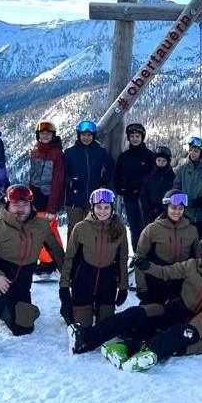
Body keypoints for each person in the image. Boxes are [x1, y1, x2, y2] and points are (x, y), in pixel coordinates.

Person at [67, 242, 202, 356]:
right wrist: (147, 266)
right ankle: (87, 339)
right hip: (175, 309)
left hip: (195, 323)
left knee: (158, 336)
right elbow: (166, 272)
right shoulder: (192, 266)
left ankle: (130, 349)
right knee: (136, 313)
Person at [0, 185, 65, 353]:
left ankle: (5, 308)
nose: (20, 209)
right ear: (7, 204)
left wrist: (68, 273)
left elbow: (56, 251)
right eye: (15, 205)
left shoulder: (41, 225)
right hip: (0, 274)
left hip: (23, 278)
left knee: (23, 328)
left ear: (30, 205)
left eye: (24, 205)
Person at [59, 188, 128, 327]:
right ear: (92, 207)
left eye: (106, 207)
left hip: (107, 282)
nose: (102, 211)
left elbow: (122, 260)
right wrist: (64, 286)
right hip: (83, 280)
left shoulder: (119, 229)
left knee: (105, 326)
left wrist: (123, 287)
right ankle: (70, 310)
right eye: (98, 207)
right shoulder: (80, 228)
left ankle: (100, 310)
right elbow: (70, 258)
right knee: (83, 327)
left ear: (112, 208)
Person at [134, 190, 199, 305]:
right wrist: (142, 287)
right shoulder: (152, 229)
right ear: (166, 207)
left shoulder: (192, 230)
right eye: (173, 208)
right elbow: (139, 258)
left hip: (181, 282)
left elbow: (199, 260)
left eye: (180, 209)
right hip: (156, 280)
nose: (177, 212)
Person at [63, 120, 114, 242]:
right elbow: (62, 173)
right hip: (74, 198)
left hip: (94, 198)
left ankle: (89, 257)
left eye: (89, 135)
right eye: (83, 135)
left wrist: (104, 180)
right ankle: (72, 257)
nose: (86, 138)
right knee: (74, 228)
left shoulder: (100, 151)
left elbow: (110, 165)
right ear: (78, 135)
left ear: (93, 136)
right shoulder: (70, 153)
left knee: (93, 229)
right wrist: (70, 182)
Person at [29, 120, 65, 277]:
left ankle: (50, 262)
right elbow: (32, 177)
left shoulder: (57, 154)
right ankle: (51, 260)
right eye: (42, 133)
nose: (44, 136)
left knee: (47, 231)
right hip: (35, 199)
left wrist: (52, 207)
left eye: (48, 133)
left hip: (48, 199)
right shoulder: (36, 150)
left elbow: (58, 181)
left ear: (53, 135)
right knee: (40, 231)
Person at [113, 123, 155, 250]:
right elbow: (116, 178)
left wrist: (147, 190)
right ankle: (137, 254)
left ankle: (148, 254)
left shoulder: (150, 156)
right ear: (128, 138)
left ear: (142, 137)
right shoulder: (124, 157)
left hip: (146, 199)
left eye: (137, 136)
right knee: (133, 227)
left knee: (147, 227)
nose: (135, 139)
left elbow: (155, 176)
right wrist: (123, 188)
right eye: (132, 136)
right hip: (130, 198)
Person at [172, 136, 202, 238]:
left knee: (200, 244)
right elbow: (176, 189)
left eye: (196, 151)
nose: (192, 153)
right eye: (191, 150)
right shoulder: (182, 169)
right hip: (184, 215)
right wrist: (180, 201)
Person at [141, 145, 176, 225]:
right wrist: (149, 210)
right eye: (159, 160)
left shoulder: (173, 178)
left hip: (169, 214)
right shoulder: (148, 178)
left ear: (168, 162)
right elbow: (143, 196)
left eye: (164, 161)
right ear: (155, 161)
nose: (161, 163)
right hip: (151, 215)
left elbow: (175, 194)